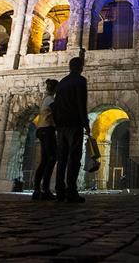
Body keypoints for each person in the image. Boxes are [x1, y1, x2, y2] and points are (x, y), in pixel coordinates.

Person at [53, 56, 89, 203]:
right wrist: (85, 122)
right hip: (74, 123)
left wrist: (57, 124)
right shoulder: (80, 81)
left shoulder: (62, 83)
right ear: (80, 67)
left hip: (61, 126)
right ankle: (71, 191)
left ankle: (59, 190)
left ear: (69, 67)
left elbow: (55, 105)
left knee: (61, 158)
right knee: (74, 158)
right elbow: (81, 103)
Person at [32, 79, 58, 201]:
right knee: (52, 158)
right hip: (47, 129)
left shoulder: (45, 99)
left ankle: (37, 189)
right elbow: (57, 112)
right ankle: (45, 189)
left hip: (41, 129)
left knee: (45, 160)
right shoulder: (50, 100)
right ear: (55, 89)